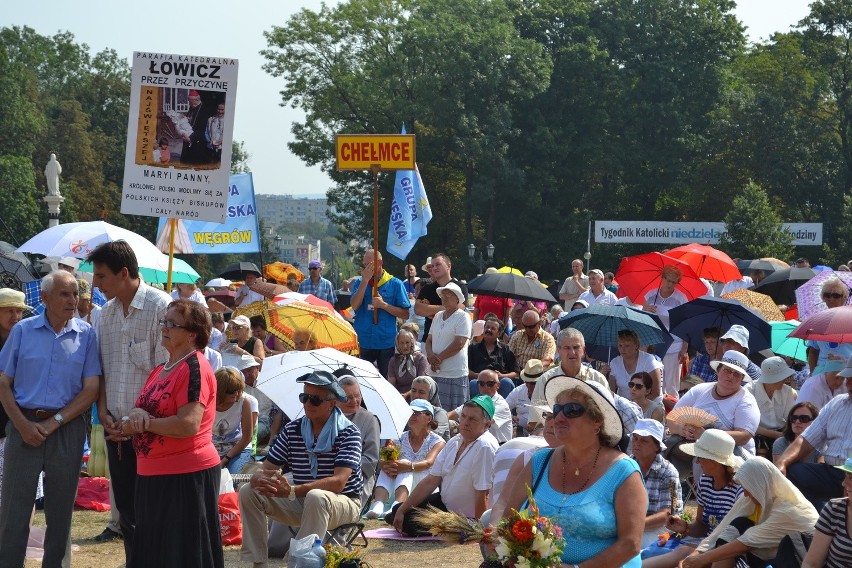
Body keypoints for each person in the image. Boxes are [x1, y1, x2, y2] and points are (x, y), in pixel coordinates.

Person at [0, 271, 100, 568]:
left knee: (60, 513)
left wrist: (53, 422)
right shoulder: (23, 331)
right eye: (65, 294)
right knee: (14, 511)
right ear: (44, 298)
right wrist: (21, 424)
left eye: (75, 294)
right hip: (23, 424)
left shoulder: (87, 334)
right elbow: (3, 382)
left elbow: (91, 389)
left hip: (67, 429)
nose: (74, 300)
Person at [499, 376, 645, 566]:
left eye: (572, 410)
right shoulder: (539, 462)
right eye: (557, 409)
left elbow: (630, 544)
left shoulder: (623, 471)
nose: (559, 417)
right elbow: (507, 520)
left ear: (597, 421)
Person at [121, 299, 224, 568]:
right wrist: (135, 416)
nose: (163, 328)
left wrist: (144, 423)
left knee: (181, 555)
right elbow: (143, 408)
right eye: (163, 321)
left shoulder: (195, 368)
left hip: (184, 476)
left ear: (192, 333)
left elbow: (188, 425)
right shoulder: (160, 369)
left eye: (171, 324)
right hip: (153, 475)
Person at [87, 240, 172, 558]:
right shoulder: (103, 315)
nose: (95, 283)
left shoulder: (161, 307)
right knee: (127, 512)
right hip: (115, 430)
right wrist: (104, 411)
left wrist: (135, 420)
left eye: (101, 276)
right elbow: (101, 371)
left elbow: (167, 374)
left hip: (152, 430)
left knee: (154, 511)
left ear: (124, 273)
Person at [238, 371, 363, 566]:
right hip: (304, 499)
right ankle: (258, 562)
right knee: (249, 491)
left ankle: (300, 563)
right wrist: (257, 476)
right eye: (304, 397)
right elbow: (268, 465)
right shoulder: (293, 429)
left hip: (345, 502)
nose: (307, 404)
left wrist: (293, 490)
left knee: (316, 497)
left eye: (315, 400)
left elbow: (339, 483)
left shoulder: (349, 432)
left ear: (332, 403)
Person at [679, 457, 818, 568]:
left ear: (759, 484)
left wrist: (702, 559)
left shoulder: (789, 510)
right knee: (734, 527)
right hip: (772, 555)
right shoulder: (755, 498)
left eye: (748, 488)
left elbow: (746, 543)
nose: (745, 494)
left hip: (798, 560)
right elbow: (722, 530)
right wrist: (694, 557)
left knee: (734, 539)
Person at [390, 395, 498, 536]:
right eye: (463, 416)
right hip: (445, 505)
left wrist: (480, 532)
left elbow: (483, 493)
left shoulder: (484, 446)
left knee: (408, 523)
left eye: (472, 419)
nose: (465, 422)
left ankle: (462, 529)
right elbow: (431, 481)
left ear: (487, 424)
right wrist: (402, 510)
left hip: (466, 517)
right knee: (398, 511)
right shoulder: (455, 441)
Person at [644, 430, 745, 567]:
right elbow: (702, 525)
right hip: (707, 546)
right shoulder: (705, 482)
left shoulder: (739, 489)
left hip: (729, 550)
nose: (697, 461)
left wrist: (700, 555)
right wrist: (685, 527)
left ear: (716, 461)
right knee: (683, 551)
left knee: (699, 556)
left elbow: (736, 538)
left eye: (701, 457)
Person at [776, 357, 852, 508]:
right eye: (847, 379)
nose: (848, 384)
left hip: (849, 472)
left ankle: (821, 519)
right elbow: (807, 439)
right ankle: (814, 518)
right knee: (789, 472)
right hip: (830, 472)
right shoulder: (838, 403)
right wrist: (782, 462)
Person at [669, 350, 760, 459]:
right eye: (727, 370)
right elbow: (672, 418)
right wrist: (681, 429)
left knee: (710, 453)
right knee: (671, 443)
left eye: (736, 373)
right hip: (694, 445)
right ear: (718, 370)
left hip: (732, 453)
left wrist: (707, 436)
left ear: (741, 379)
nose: (731, 376)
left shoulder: (747, 401)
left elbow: (744, 436)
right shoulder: (699, 390)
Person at [367, 400, 446, 519]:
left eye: (416, 413)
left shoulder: (438, 441)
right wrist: (386, 465)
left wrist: (408, 466)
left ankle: (397, 505)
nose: (411, 416)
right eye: (409, 412)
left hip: (425, 486)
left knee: (403, 463)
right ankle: (378, 504)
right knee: (389, 465)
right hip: (401, 481)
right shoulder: (399, 437)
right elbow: (383, 458)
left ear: (428, 418)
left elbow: (429, 462)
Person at [528, 327, 609, 425]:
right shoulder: (545, 380)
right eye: (567, 348)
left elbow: (607, 418)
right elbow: (534, 421)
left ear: (583, 350)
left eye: (576, 347)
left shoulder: (598, 379)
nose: (572, 352)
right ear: (558, 350)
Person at [351, 249, 411, 378]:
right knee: (362, 379)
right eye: (365, 265)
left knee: (385, 379)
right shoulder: (360, 282)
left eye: (370, 264)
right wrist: (364, 282)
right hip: (364, 340)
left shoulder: (395, 284)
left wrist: (384, 305)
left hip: (385, 342)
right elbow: (355, 306)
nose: (367, 268)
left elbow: (405, 314)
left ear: (380, 262)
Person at [629, 419, 682, 548]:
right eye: (635, 438)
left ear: (657, 446)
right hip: (630, 523)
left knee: (630, 546)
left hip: (660, 528)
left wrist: (630, 526)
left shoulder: (668, 472)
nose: (637, 444)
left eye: (644, 440)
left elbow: (666, 515)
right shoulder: (626, 465)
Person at [0, 288, 28, 512]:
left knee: (25, 490)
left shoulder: (28, 339)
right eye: (9, 310)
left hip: (23, 421)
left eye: (19, 311)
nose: (15, 316)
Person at [643, 265, 689, 398]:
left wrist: (684, 349)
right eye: (668, 280)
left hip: (674, 345)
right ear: (662, 278)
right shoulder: (650, 295)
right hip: (653, 343)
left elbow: (685, 324)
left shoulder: (681, 298)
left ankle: (671, 414)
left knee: (671, 384)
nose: (670, 284)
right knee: (652, 381)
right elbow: (642, 318)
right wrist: (647, 311)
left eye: (674, 282)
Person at [425, 282, 471, 410]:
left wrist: (438, 358)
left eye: (448, 295)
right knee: (435, 410)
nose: (444, 298)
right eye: (443, 295)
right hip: (435, 370)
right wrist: (430, 356)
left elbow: (459, 343)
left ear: (457, 298)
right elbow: (429, 339)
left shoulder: (463, 317)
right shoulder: (438, 316)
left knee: (453, 411)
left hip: (453, 372)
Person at [334, 374, 380, 503]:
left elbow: (371, 458)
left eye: (357, 395)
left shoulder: (369, 419)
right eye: (348, 397)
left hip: (358, 480)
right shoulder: (328, 416)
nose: (354, 401)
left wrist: (343, 469)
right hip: (326, 476)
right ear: (336, 397)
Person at [801, 456, 852, 568]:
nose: (844, 483)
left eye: (851, 478)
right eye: (845, 477)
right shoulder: (834, 508)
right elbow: (811, 563)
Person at [747, 356, 797, 457]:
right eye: (783, 377)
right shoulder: (749, 390)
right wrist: (776, 435)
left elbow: (790, 419)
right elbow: (748, 424)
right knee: (761, 444)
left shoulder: (787, 391)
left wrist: (786, 434)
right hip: (756, 434)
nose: (786, 380)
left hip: (782, 432)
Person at [449, 370, 513, 444]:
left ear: (498, 385)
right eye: (481, 383)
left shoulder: (501, 405)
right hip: (478, 443)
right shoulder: (476, 401)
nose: (486, 387)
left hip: (498, 448)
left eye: (490, 384)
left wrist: (457, 429)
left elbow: (480, 424)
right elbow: (451, 414)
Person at [213, 367, 254, 476]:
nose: (236, 394)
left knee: (233, 479)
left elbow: (247, 437)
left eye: (238, 389)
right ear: (220, 391)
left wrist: (225, 459)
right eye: (231, 391)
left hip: (238, 448)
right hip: (212, 449)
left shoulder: (244, 401)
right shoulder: (207, 401)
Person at [415, 253, 469, 336]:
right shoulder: (427, 288)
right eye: (432, 266)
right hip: (429, 339)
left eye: (438, 264)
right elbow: (418, 309)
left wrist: (430, 311)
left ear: (448, 266)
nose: (434, 268)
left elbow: (460, 308)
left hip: (452, 337)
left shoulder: (460, 286)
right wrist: (447, 308)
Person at [467, 317, 518, 398]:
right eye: (487, 327)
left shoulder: (505, 349)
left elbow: (516, 372)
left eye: (493, 328)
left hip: (499, 382)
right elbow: (467, 370)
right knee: (473, 383)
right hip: (480, 381)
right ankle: (476, 409)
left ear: (499, 333)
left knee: (507, 382)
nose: (489, 330)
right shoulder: (473, 348)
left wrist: (502, 376)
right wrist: (480, 375)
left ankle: (502, 409)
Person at [604, 329, 664, 399]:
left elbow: (656, 392)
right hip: (623, 406)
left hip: (648, 404)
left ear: (636, 346)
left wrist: (635, 406)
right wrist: (604, 375)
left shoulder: (649, 360)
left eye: (627, 346)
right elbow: (611, 391)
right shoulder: (614, 362)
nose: (622, 349)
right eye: (620, 345)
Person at [504, 359, 545, 434]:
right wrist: (510, 416)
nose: (529, 386)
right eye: (526, 382)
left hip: (543, 431)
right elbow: (503, 407)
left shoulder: (548, 391)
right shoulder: (518, 391)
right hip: (521, 430)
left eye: (533, 383)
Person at [386, 328, 428, 396]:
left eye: (407, 342)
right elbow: (391, 383)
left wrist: (406, 395)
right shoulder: (393, 361)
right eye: (401, 343)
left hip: (417, 395)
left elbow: (421, 383)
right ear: (398, 344)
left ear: (412, 343)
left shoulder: (421, 358)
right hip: (398, 395)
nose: (404, 346)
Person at [410, 376, 450, 440]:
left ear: (430, 395)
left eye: (421, 392)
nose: (416, 395)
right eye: (413, 391)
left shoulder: (440, 414)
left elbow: (430, 438)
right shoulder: (406, 410)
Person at [179, 90, 211, 164]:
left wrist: (190, 138)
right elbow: (189, 120)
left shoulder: (204, 110)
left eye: (190, 101)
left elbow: (201, 129)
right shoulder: (192, 107)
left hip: (197, 143)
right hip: (187, 139)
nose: (189, 103)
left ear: (196, 100)